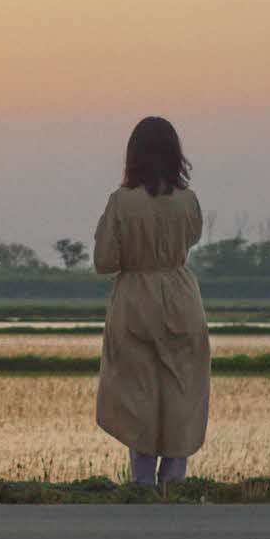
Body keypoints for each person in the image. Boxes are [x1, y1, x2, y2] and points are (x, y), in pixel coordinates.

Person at [93, 116, 210, 493]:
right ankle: (174, 481)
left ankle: (142, 483)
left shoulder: (121, 202)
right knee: (182, 391)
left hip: (135, 302)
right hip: (182, 298)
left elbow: (104, 261)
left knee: (137, 394)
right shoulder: (189, 200)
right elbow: (192, 237)